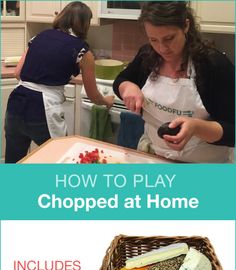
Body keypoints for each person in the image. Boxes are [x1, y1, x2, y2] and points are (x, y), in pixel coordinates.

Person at [113, 1, 235, 163]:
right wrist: (127, 87)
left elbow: (232, 131)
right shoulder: (147, 55)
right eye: (153, 40)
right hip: (152, 157)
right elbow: (121, 80)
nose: (162, 48)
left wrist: (196, 127)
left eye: (169, 38)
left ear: (185, 26)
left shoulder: (213, 64)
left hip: (202, 165)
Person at [5, 1, 114, 163]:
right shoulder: (83, 50)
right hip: (43, 109)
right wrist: (107, 101)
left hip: (16, 103)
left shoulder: (39, 36)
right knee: (60, 160)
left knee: (14, 163)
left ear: (62, 16)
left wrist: (52, 76)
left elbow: (18, 73)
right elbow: (93, 96)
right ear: (85, 24)